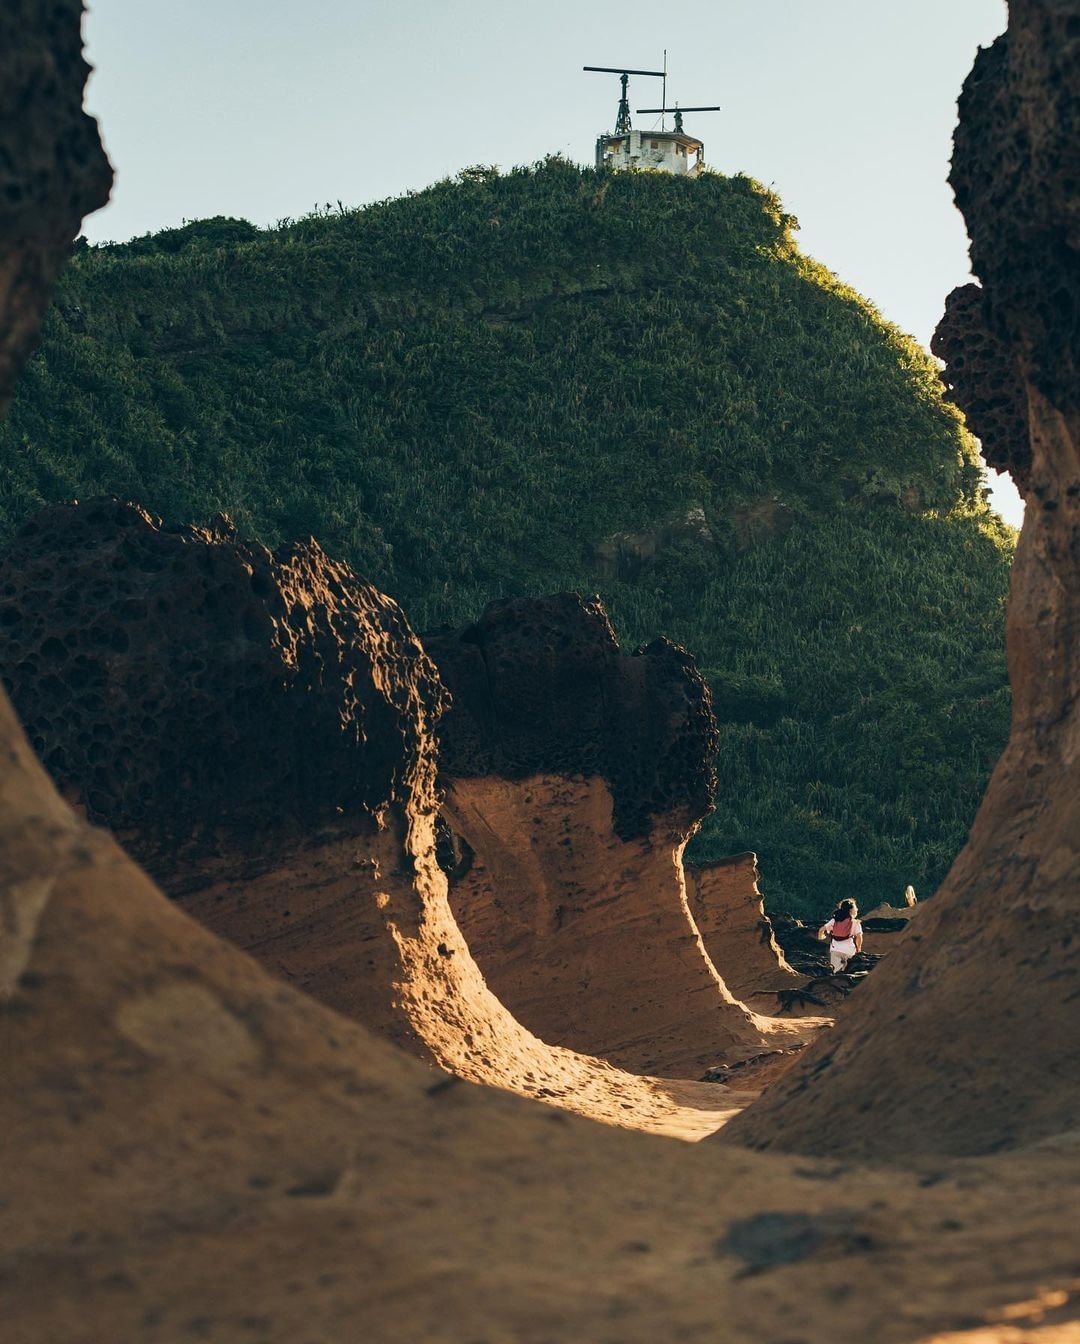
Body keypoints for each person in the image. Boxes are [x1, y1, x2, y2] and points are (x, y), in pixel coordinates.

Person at [817, 898, 863, 974]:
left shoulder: (835, 920)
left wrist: (821, 937)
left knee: (836, 972)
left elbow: (822, 929)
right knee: (849, 972)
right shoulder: (855, 923)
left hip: (835, 950)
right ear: (851, 910)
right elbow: (859, 937)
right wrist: (859, 949)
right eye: (855, 907)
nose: (857, 909)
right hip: (849, 950)